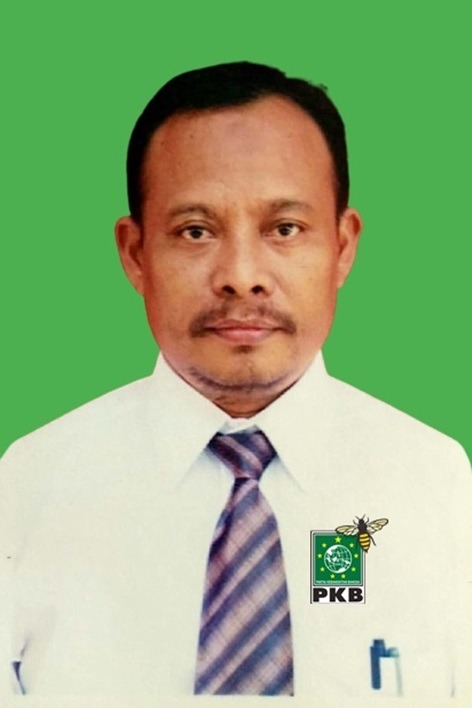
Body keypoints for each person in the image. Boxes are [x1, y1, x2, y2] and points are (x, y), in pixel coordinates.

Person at [0, 62, 470, 703]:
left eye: (285, 229)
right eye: (195, 231)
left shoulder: (442, 488)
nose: (241, 275)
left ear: (342, 246)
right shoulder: (27, 489)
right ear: (136, 253)